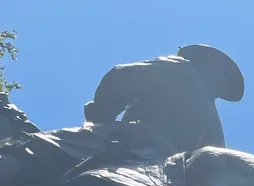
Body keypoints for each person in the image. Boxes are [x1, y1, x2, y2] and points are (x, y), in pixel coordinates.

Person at [83, 44, 243, 155]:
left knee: (58, 145)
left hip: (132, 143)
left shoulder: (180, 67)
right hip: (180, 175)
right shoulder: (215, 126)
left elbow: (121, 76)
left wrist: (101, 112)